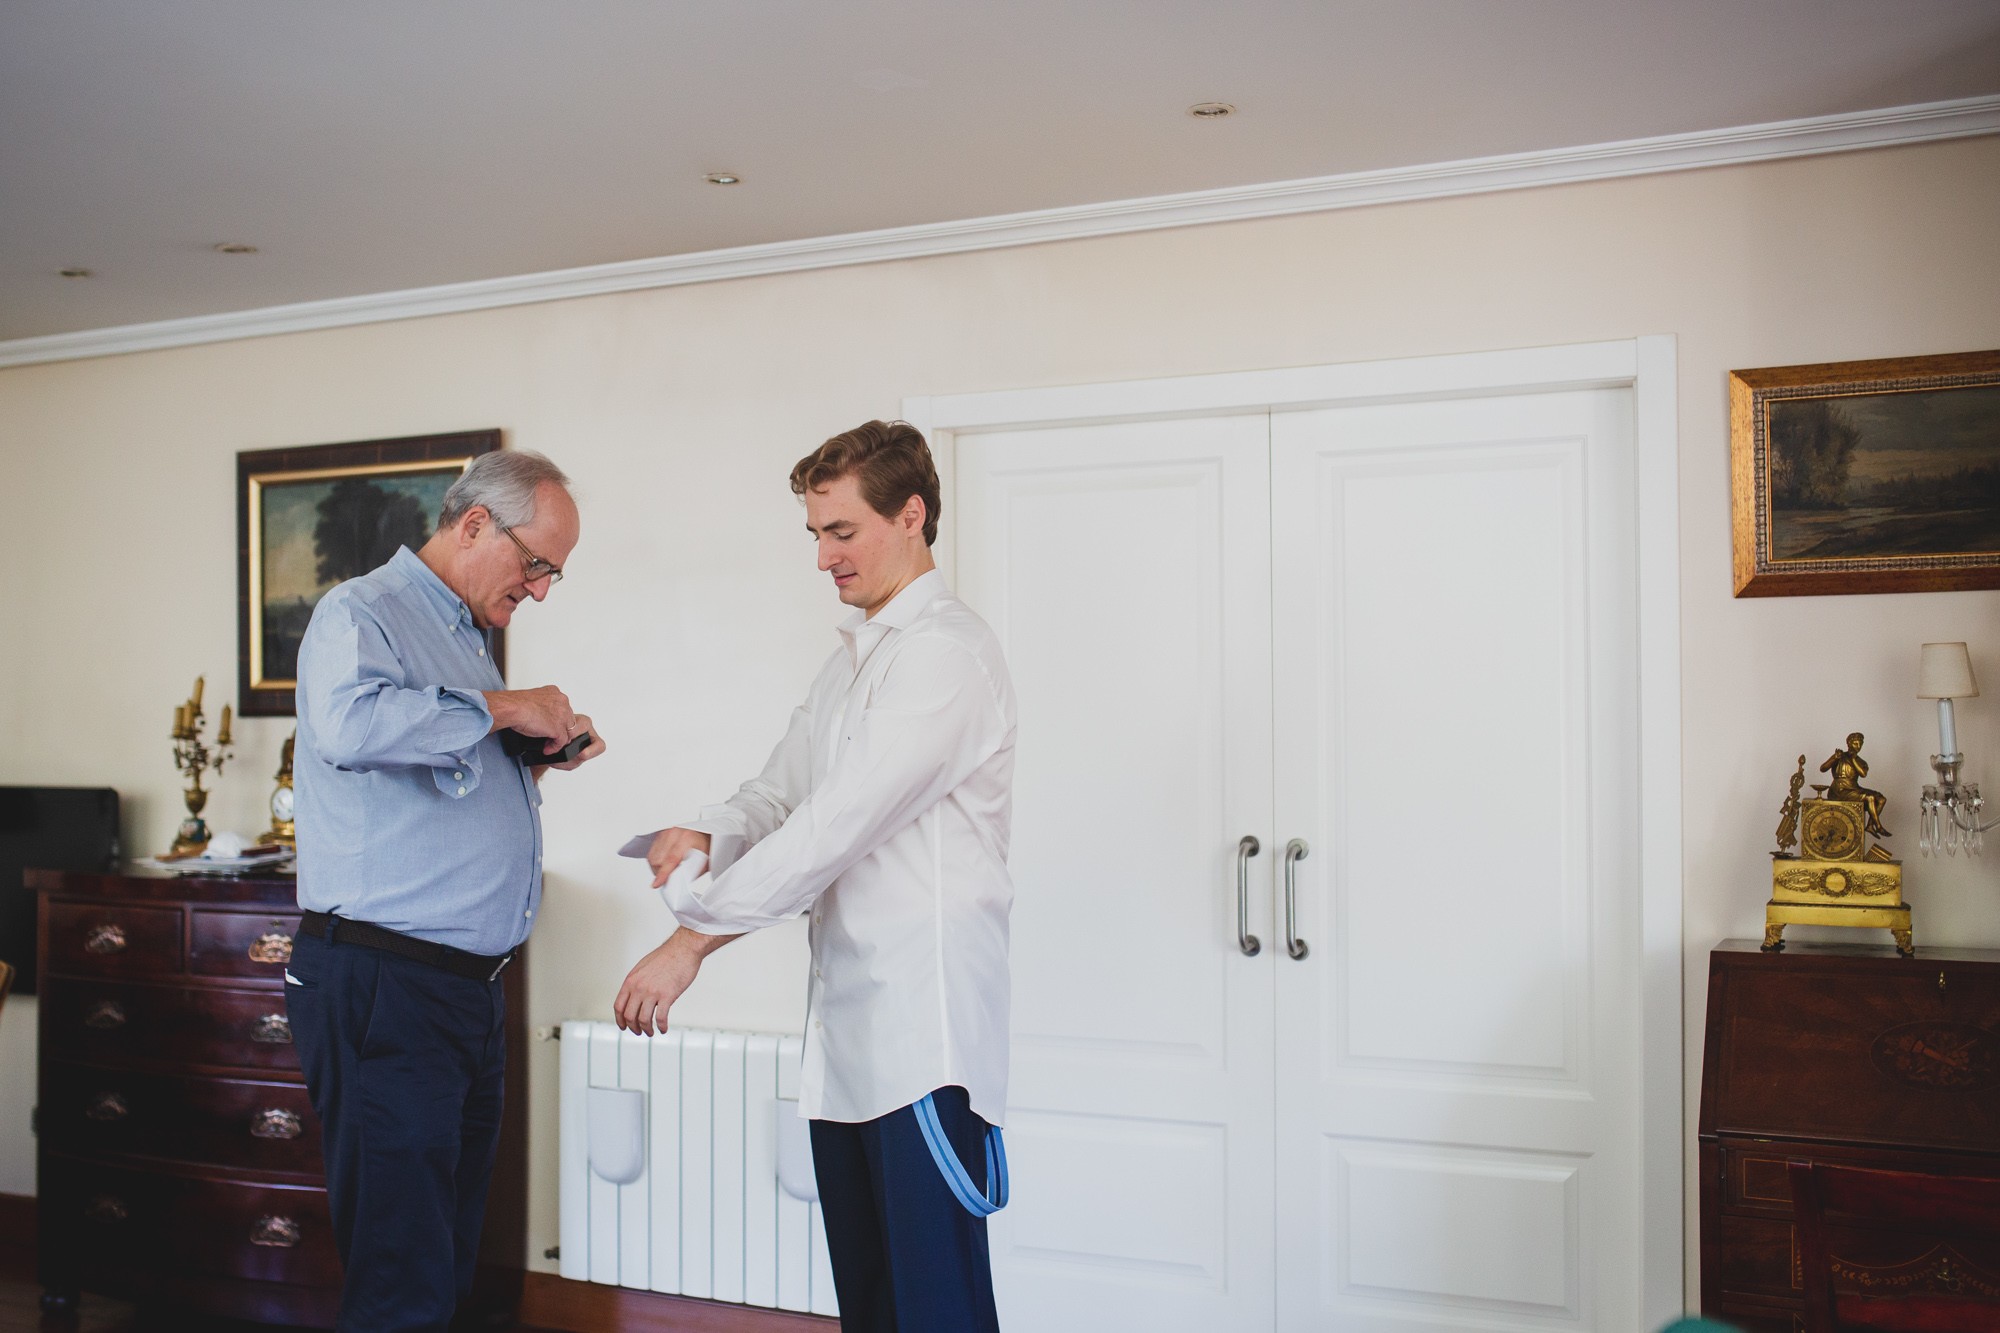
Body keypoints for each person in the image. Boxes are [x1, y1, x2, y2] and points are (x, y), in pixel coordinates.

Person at [615, 420, 1016, 1333]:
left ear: (911, 515)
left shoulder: (945, 656)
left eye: (841, 532)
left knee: (936, 1312)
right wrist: (704, 834)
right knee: (871, 1309)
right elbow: (779, 792)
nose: (824, 557)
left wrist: (693, 940)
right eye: (815, 535)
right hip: (847, 1045)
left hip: (925, 1047)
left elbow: (835, 828)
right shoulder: (853, 665)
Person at [286, 449, 606, 1332]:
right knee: (403, 1274)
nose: (541, 589)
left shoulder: (463, 637)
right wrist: (506, 711)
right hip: (389, 988)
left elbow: (433, 784)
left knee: (446, 1259)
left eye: (552, 573)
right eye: (536, 563)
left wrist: (529, 763)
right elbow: (348, 725)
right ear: (473, 525)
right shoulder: (362, 611)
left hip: (459, 992)